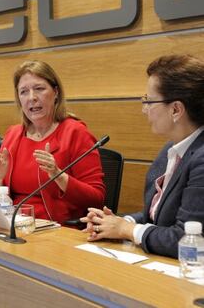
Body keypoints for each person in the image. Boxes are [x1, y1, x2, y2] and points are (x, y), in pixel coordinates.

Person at [80, 54, 204, 258]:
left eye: (149, 101)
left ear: (176, 109)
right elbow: (155, 218)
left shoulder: (201, 158)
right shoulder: (170, 150)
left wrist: (126, 230)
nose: (144, 109)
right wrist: (116, 223)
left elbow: (186, 238)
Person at [0, 60, 105, 224]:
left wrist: (58, 176)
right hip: (13, 225)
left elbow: (97, 199)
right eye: (24, 92)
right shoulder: (14, 134)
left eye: (39, 89)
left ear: (56, 92)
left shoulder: (75, 133)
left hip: (57, 230)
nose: (32, 97)